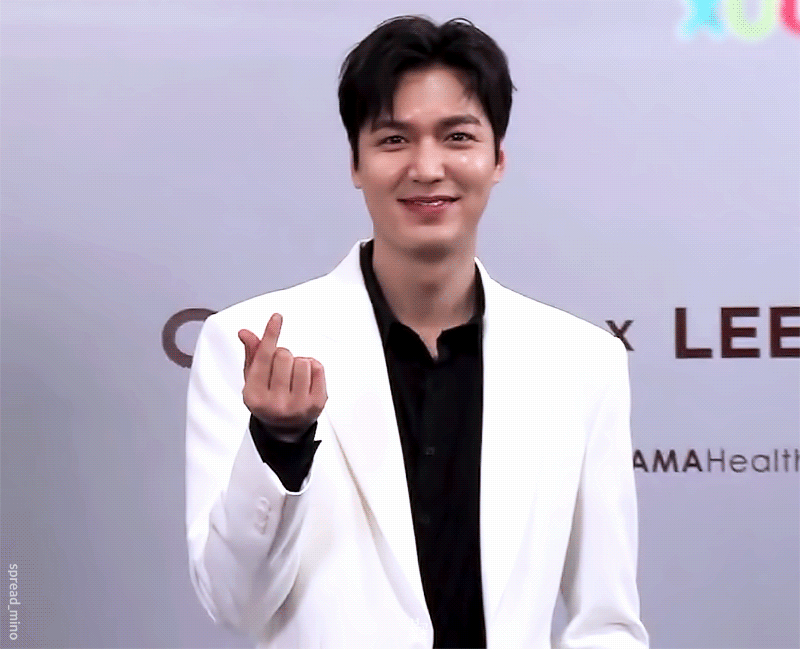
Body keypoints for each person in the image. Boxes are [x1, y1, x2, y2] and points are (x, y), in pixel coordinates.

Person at [185, 15, 649, 649]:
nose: (427, 168)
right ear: (356, 163)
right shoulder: (254, 347)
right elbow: (234, 604)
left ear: (497, 159)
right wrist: (277, 442)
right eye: (394, 139)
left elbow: (607, 621)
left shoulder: (581, 361)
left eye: (457, 137)